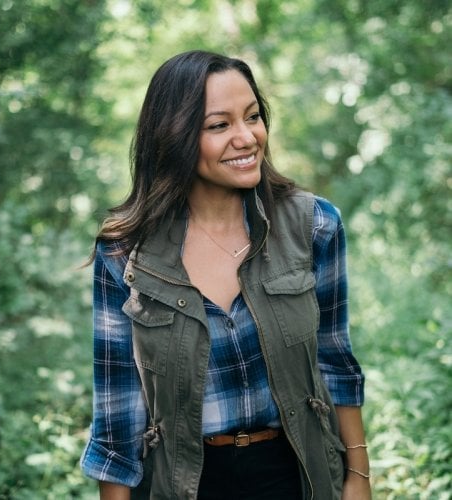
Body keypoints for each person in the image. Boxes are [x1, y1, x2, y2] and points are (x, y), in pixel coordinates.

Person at [80, 50, 371, 500]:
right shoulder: (123, 255)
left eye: (253, 117)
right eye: (219, 125)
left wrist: (358, 478)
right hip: (184, 483)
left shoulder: (314, 225)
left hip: (297, 475)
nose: (247, 137)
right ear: (173, 137)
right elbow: (118, 415)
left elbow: (336, 360)